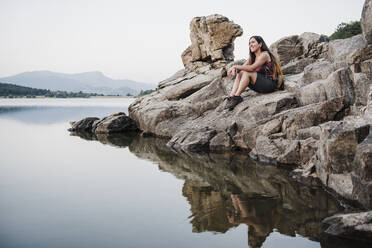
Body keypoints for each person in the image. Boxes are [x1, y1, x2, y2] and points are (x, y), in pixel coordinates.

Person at [225, 36, 283, 110]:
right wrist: (234, 69)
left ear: (260, 44)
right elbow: (241, 69)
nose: (250, 45)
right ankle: (232, 96)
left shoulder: (264, 55)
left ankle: (237, 97)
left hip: (270, 83)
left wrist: (235, 66)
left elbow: (252, 68)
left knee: (247, 72)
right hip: (260, 85)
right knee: (241, 72)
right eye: (249, 43)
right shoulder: (252, 57)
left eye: (253, 42)